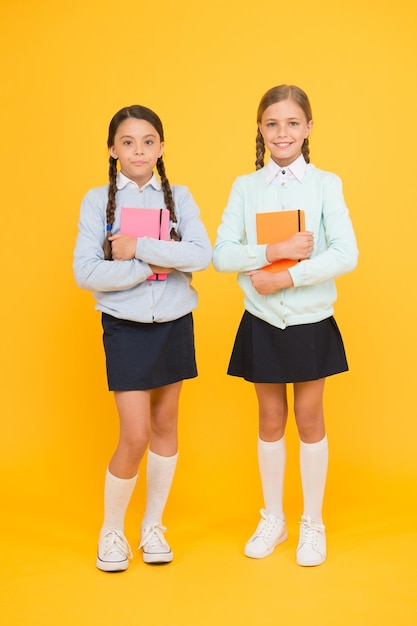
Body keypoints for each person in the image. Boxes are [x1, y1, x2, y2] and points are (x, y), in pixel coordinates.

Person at [212, 85, 358, 566]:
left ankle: (311, 523)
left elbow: (345, 253)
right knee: (270, 420)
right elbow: (222, 253)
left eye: (293, 123)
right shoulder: (245, 187)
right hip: (261, 319)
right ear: (260, 128)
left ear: (309, 129)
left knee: (310, 419)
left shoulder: (325, 184)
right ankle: (272, 517)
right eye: (272, 124)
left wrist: (290, 276)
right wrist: (272, 253)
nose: (282, 133)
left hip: (310, 318)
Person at [73, 104, 212, 572]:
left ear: (162, 147)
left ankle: (152, 526)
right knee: (134, 435)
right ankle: (112, 530)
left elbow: (200, 254)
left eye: (148, 141)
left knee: (166, 426)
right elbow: (87, 271)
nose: (138, 150)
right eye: (128, 142)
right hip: (125, 327)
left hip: (174, 322)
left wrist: (138, 248)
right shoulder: (97, 201)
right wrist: (147, 266)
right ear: (113, 149)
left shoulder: (180, 197)